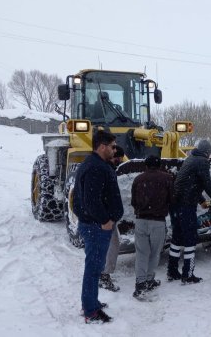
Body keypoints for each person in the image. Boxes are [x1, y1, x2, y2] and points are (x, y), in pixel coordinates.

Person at [73, 130, 124, 324]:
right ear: (102, 147)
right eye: (112, 146)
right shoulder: (95, 167)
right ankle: (90, 311)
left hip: (96, 225)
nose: (115, 150)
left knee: (95, 267)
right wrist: (105, 220)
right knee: (93, 269)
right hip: (96, 227)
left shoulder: (99, 164)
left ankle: (91, 302)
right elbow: (91, 201)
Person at [167, 139, 211, 284]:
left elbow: (190, 182)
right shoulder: (202, 161)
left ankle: (172, 271)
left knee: (177, 238)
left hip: (175, 205)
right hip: (186, 206)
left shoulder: (190, 159)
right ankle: (188, 275)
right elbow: (207, 183)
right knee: (190, 239)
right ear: (208, 152)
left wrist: (201, 201)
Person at [131, 155, 173, 299]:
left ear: (146, 165)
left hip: (141, 221)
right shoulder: (167, 178)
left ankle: (140, 284)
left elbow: (133, 201)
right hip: (158, 222)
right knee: (155, 253)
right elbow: (172, 199)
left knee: (142, 253)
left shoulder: (138, 179)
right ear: (159, 165)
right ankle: (149, 279)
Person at [98, 145, 126, 293]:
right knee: (112, 245)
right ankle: (104, 276)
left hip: (107, 216)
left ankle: (101, 273)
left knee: (108, 245)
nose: (119, 162)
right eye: (118, 159)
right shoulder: (106, 171)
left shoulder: (107, 169)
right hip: (106, 218)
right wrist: (107, 217)